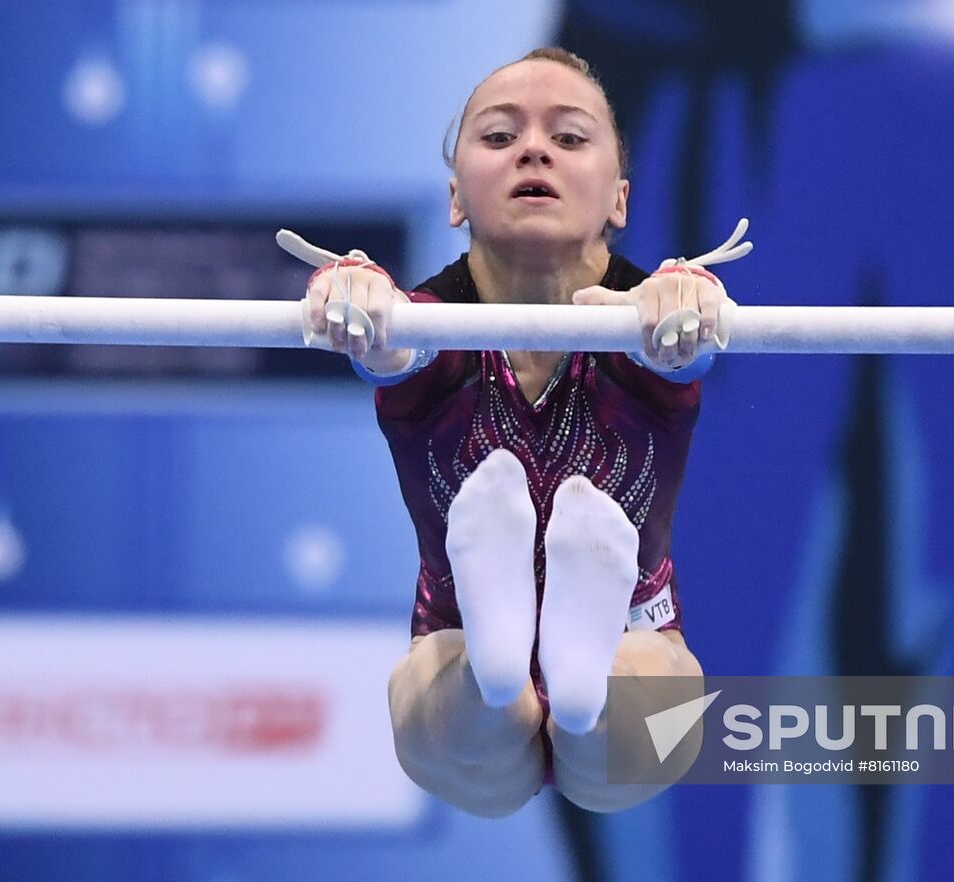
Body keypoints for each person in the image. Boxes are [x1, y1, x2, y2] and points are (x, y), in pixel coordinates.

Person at [296, 47, 746, 817]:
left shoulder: (656, 317)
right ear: (455, 199)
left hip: (631, 636)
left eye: (569, 138)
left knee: (649, 730)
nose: (534, 149)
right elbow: (391, 354)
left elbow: (683, 354)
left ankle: (579, 681)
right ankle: (506, 669)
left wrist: (690, 301)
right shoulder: (416, 323)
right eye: (500, 137)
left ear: (620, 199)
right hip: (463, 641)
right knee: (452, 738)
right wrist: (352, 298)